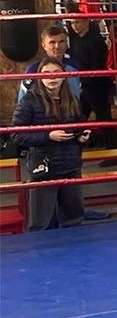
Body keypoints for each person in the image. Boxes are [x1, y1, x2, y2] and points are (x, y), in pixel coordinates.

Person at [11, 57, 90, 231]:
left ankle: (76, 249)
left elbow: (79, 123)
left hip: (70, 163)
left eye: (56, 73)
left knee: (74, 218)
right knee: (42, 222)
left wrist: (82, 135)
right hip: (44, 166)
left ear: (63, 75)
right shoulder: (29, 101)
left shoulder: (72, 99)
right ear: (40, 76)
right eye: (46, 73)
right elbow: (16, 134)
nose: (52, 77)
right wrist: (48, 135)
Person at [69, 19, 117, 154]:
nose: (75, 26)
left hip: (97, 85)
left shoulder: (96, 41)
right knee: (80, 117)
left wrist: (83, 80)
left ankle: (113, 152)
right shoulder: (76, 40)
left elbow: (97, 65)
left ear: (86, 22)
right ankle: (74, 148)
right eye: (72, 23)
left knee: (103, 118)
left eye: (77, 22)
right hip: (85, 84)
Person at [18, 25, 81, 101]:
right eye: (52, 42)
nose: (57, 46)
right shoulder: (33, 71)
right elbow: (22, 101)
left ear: (66, 44)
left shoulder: (74, 67)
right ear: (44, 45)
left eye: (61, 42)